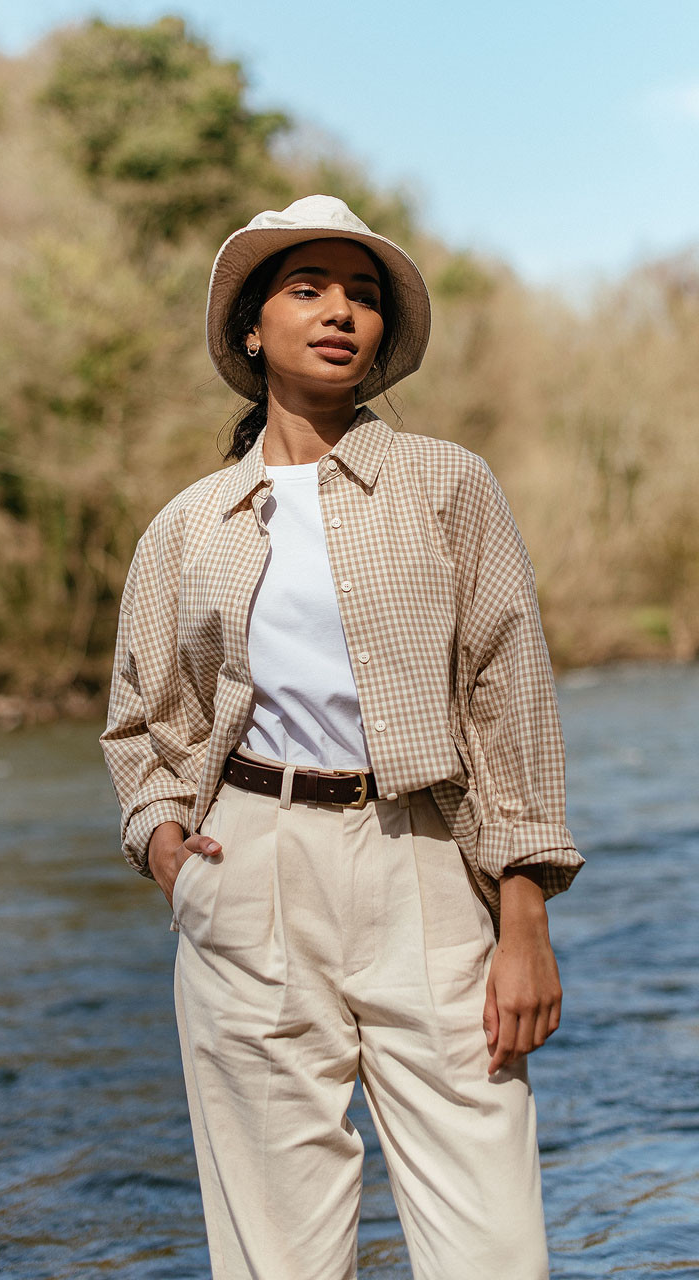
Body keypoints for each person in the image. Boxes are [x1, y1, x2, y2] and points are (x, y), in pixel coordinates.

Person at [101, 194, 584, 1280]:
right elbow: (143, 719)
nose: (340, 314)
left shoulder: (449, 485)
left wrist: (525, 915)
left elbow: (509, 698)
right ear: (248, 329)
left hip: (426, 861)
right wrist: (166, 845)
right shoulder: (186, 525)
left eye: (362, 296)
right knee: (278, 1253)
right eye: (308, 289)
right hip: (246, 867)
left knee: (491, 1239)